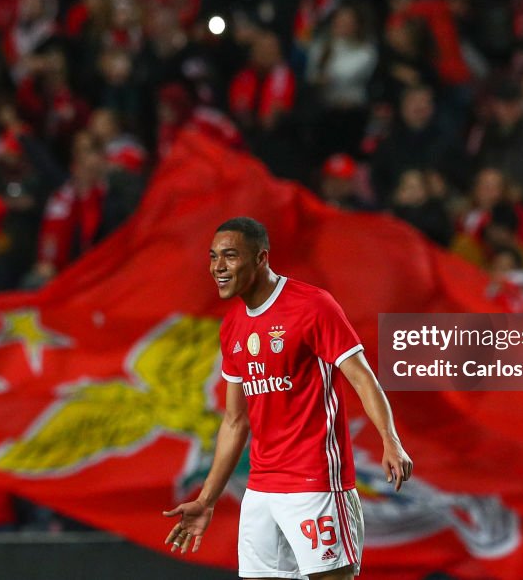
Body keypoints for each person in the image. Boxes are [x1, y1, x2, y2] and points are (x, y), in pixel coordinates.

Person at [163, 217, 412, 579]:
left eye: (230, 256)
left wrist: (391, 441)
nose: (218, 267)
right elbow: (235, 421)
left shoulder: (312, 305)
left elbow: (362, 377)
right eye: (214, 256)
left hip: (316, 483)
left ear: (261, 258)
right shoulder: (233, 325)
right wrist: (207, 499)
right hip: (261, 490)